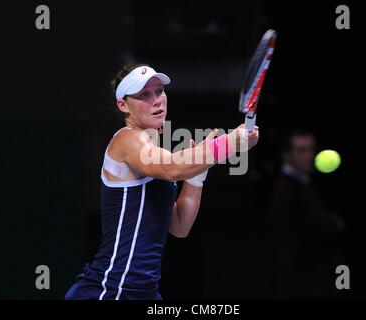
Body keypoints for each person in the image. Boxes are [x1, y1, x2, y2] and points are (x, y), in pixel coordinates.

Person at [65, 63, 259, 300]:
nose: (157, 100)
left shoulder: (158, 154)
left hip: (145, 292)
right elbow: (171, 168)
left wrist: (199, 173)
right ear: (123, 105)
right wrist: (229, 144)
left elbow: (179, 226)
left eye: (159, 91)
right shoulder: (127, 141)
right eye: (144, 95)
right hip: (110, 290)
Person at [267, 128, 345, 299]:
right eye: (302, 150)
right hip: (298, 282)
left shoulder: (303, 185)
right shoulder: (286, 189)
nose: (309, 156)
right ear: (286, 155)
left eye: (311, 149)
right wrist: (334, 224)